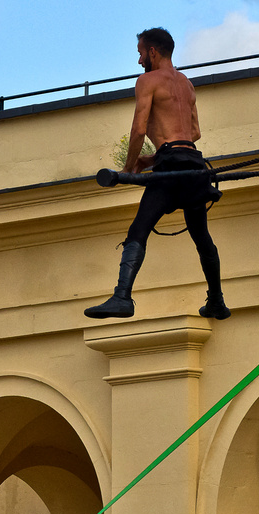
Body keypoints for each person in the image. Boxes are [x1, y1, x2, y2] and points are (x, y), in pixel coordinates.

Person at [85, 27, 229, 320]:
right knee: (201, 235)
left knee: (139, 228)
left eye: (140, 53)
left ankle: (122, 297)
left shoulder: (147, 81)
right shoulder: (186, 84)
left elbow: (139, 128)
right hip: (194, 167)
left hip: (171, 170)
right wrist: (151, 160)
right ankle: (216, 300)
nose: (139, 61)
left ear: (152, 51)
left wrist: (129, 168)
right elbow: (195, 133)